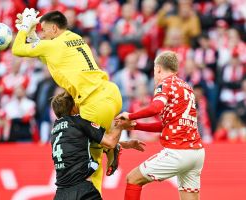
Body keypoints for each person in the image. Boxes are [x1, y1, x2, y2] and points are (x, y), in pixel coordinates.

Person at [12, 9, 123, 192]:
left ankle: (108, 151)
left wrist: (24, 28)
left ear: (54, 28)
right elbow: (47, 57)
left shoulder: (53, 45)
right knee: (95, 141)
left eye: (44, 31)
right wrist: (32, 35)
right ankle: (110, 147)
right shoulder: (75, 38)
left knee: (88, 158)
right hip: (110, 92)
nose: (43, 35)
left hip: (93, 101)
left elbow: (17, 49)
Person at [117, 51, 205, 200]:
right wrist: (135, 126)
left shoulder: (165, 84)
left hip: (178, 151)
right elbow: (168, 124)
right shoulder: (187, 88)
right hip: (196, 153)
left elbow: (155, 107)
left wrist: (130, 116)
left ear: (158, 68)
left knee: (133, 179)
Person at [50, 91, 145, 200]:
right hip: (82, 190)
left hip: (61, 193)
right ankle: (112, 152)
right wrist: (120, 125)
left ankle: (112, 151)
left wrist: (127, 144)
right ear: (73, 108)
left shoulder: (55, 129)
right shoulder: (79, 122)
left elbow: (78, 144)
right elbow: (110, 142)